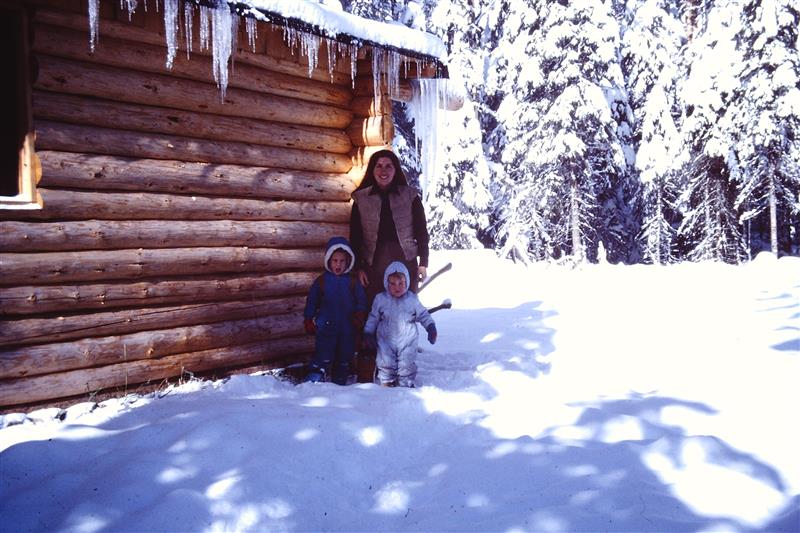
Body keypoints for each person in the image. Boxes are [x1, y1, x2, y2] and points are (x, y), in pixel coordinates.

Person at [350, 149, 431, 382]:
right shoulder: (361, 199)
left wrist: (423, 262)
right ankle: (375, 364)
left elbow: (421, 232)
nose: (383, 171)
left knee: (404, 313)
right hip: (373, 263)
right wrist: (360, 268)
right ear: (372, 170)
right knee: (376, 312)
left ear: (396, 170)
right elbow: (354, 236)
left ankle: (404, 365)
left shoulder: (410, 196)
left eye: (388, 166)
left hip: (404, 260)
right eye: (379, 166)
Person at [302, 236, 367, 385]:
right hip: (326, 325)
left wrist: (359, 314)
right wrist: (308, 318)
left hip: (346, 326)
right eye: (335, 261)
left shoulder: (352, 281)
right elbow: (312, 301)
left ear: (348, 261)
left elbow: (361, 300)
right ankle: (317, 374)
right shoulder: (322, 281)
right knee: (323, 351)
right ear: (329, 261)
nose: (338, 264)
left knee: (344, 353)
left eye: (342, 261)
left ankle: (340, 378)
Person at [363, 261, 437, 388]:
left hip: (407, 340)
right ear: (386, 283)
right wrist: (368, 332)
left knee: (406, 364)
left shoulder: (412, 299)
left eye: (400, 283)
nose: (397, 287)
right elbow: (373, 317)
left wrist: (431, 328)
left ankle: (406, 383)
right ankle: (387, 382)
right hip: (386, 340)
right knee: (386, 362)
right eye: (392, 283)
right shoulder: (381, 299)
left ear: (406, 282)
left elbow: (423, 314)